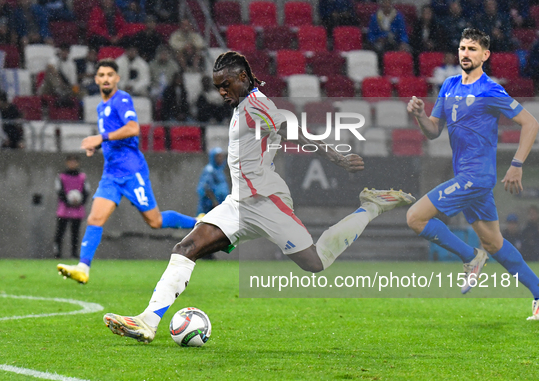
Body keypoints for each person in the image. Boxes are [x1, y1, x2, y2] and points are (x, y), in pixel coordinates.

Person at [102, 51, 415, 343]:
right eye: (217, 87)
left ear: (242, 77)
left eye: (226, 85)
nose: (222, 92)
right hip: (238, 204)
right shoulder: (241, 105)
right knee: (186, 247)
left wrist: (336, 156)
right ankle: (147, 321)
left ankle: (371, 206)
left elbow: (289, 129)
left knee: (315, 263)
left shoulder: (255, 103)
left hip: (267, 202)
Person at [406, 28, 539, 320]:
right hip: (465, 177)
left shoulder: (491, 89)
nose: (466, 53)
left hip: (475, 178)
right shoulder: (449, 85)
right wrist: (419, 115)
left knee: (415, 217)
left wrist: (516, 164)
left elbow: (530, 123)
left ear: (485, 55)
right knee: (494, 243)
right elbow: (432, 131)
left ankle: (471, 257)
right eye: (463, 48)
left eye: (473, 49)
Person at [56, 58, 197, 284]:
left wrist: (100, 137)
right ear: (96, 79)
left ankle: (198, 222)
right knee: (94, 218)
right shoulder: (101, 107)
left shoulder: (122, 99)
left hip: (132, 171)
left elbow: (133, 128)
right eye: (101, 75)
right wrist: (98, 145)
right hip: (111, 174)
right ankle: (83, 268)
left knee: (155, 221)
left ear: (117, 78)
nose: (105, 79)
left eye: (110, 75)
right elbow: (114, 135)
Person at [54, 155, 90, 259]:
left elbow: (86, 191)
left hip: (77, 210)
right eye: (70, 162)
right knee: (60, 231)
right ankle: (57, 253)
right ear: (67, 163)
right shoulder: (61, 176)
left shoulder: (82, 177)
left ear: (78, 163)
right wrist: (68, 202)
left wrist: (80, 201)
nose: (72, 164)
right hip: (64, 209)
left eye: (74, 162)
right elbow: (59, 191)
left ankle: (74, 254)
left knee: (75, 233)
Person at [196, 147, 228, 215]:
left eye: (221, 156)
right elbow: (206, 187)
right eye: (218, 156)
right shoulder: (209, 170)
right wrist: (214, 202)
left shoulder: (220, 171)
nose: (220, 159)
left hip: (221, 204)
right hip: (210, 206)